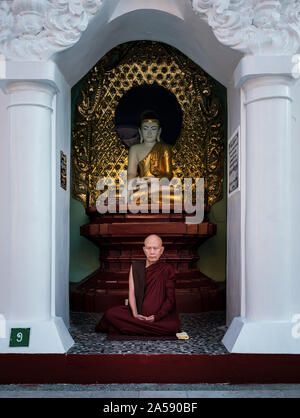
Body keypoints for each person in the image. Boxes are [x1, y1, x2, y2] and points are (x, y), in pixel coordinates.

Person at [95, 234, 181, 336]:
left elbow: (170, 299)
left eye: (155, 248)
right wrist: (135, 314)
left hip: (159, 317)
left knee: (173, 326)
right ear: (144, 249)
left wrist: (156, 317)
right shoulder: (136, 266)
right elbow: (131, 292)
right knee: (110, 314)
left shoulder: (167, 269)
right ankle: (144, 326)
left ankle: (133, 327)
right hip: (137, 313)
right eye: (149, 248)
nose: (152, 252)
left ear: (161, 250)